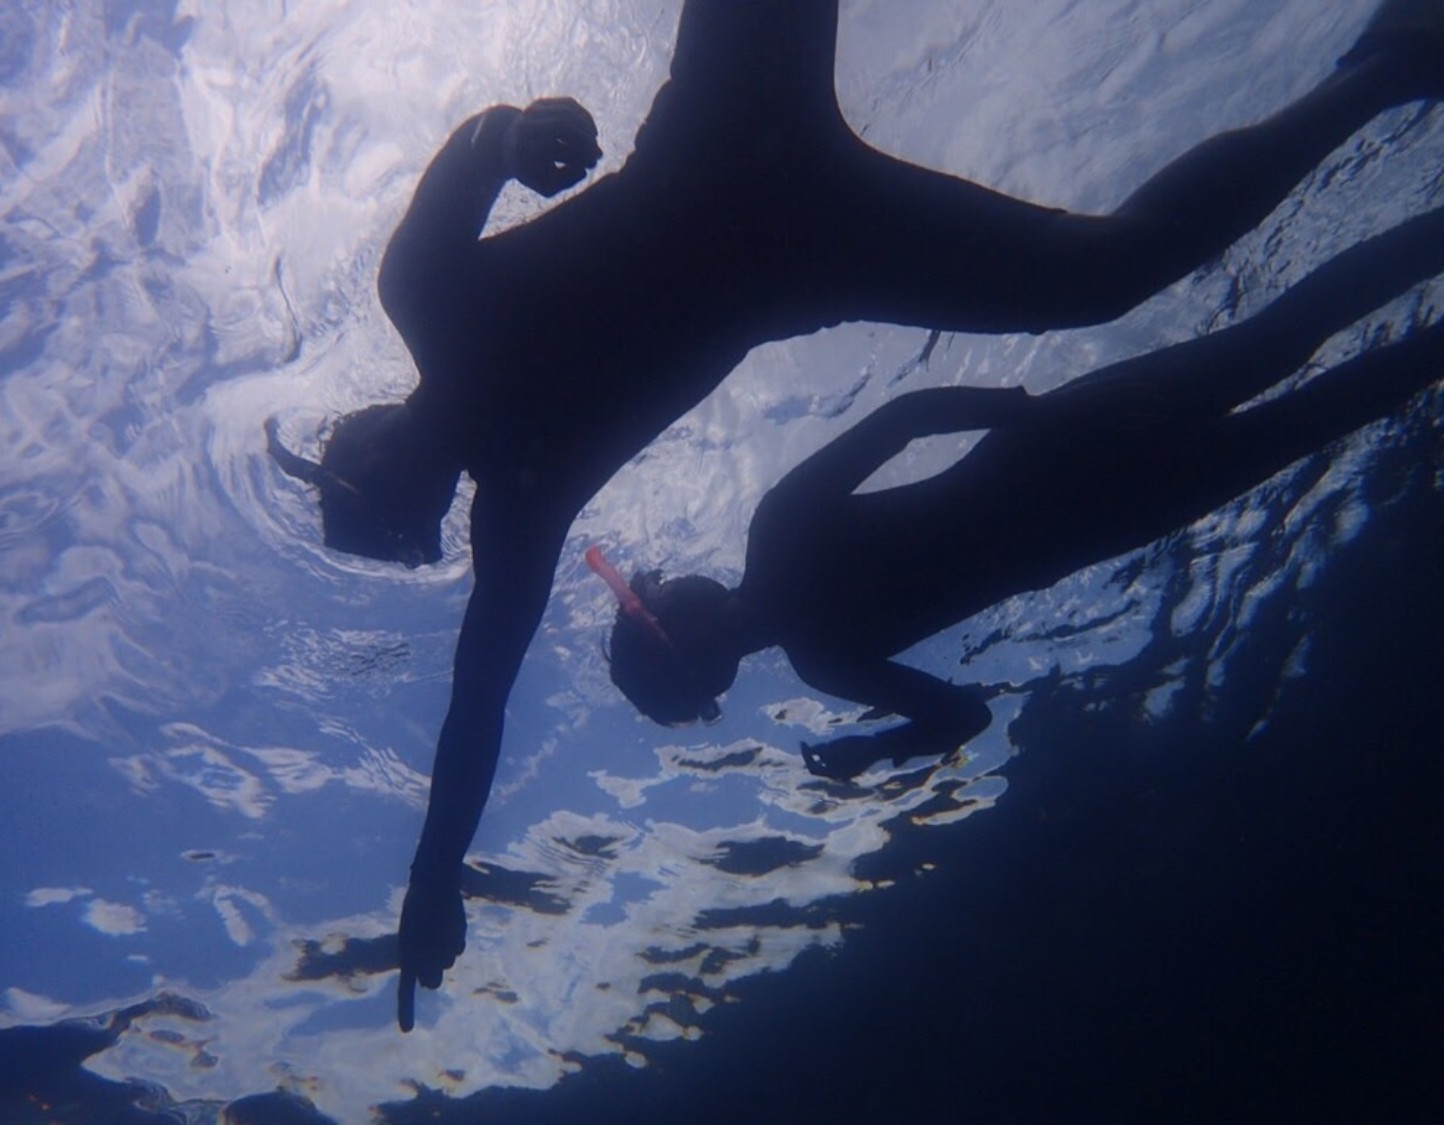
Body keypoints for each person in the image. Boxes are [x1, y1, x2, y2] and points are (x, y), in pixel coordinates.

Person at [265, 0, 1444, 1031]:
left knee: (1120, 278)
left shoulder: (425, 302)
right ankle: (1387, 68)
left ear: (356, 438)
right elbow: (476, 706)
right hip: (805, 238)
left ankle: (1386, 70)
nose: (396, 495)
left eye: (359, 492)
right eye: (388, 526)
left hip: (731, 142)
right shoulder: (519, 514)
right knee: (1107, 274)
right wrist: (433, 879)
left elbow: (468, 153)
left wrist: (513, 136)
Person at [600, 204, 1444, 782]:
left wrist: (880, 752)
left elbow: (961, 717)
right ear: (682, 627)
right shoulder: (778, 531)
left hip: (1104, 518)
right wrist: (1022, 410)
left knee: (1329, 406)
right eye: (658, 594)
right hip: (1065, 444)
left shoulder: (829, 661)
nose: (664, 578)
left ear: (710, 680)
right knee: (1286, 335)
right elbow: (904, 418)